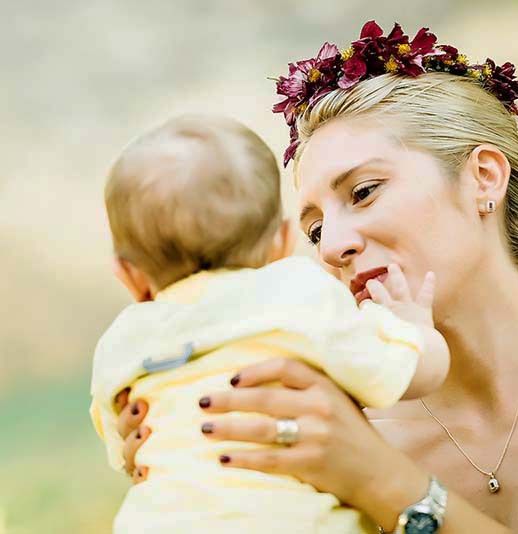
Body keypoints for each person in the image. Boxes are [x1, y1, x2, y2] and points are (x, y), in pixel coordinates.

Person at [117, 21, 518, 533]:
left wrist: (380, 480)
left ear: (483, 178)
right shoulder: (325, 429)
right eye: (313, 229)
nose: (332, 246)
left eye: (363, 191)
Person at [91, 113, 450, 533]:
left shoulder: (121, 340)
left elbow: (126, 450)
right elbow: (405, 372)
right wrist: (412, 328)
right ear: (282, 242)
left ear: (128, 275)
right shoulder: (298, 293)